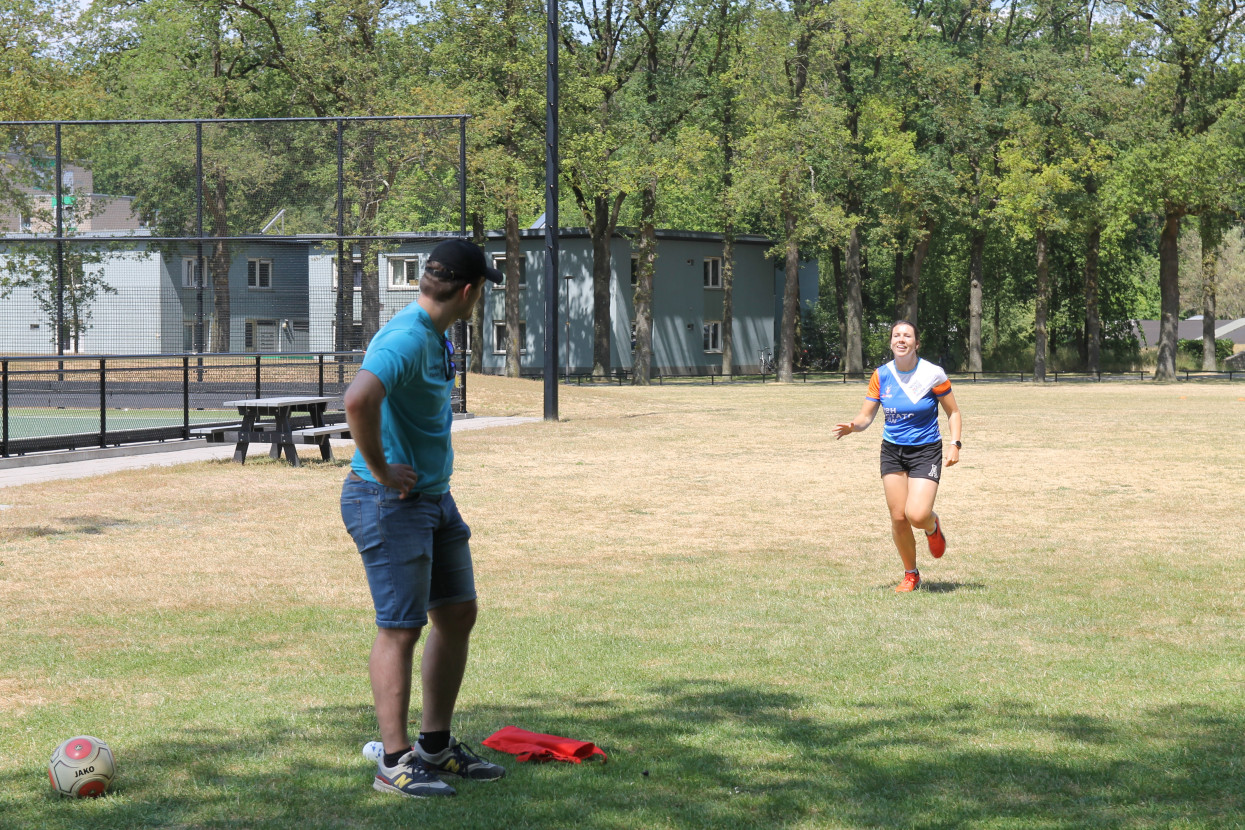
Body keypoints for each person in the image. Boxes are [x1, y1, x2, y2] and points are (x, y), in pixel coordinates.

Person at [340, 238, 506, 798]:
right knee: (401, 627)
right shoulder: (408, 338)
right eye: (481, 290)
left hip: (434, 500)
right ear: (468, 291)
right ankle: (393, 760)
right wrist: (383, 469)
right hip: (389, 503)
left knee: (457, 613)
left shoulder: (435, 336)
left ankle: (434, 746)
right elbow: (358, 398)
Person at [833, 320, 962, 592]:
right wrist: (853, 426)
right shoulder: (881, 375)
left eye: (907, 335)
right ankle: (911, 574)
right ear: (891, 342)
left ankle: (931, 525)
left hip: (926, 449)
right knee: (899, 517)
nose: (901, 339)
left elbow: (953, 412)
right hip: (892, 450)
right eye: (896, 335)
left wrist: (955, 444)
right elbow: (867, 415)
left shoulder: (932, 374)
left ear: (916, 343)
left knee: (916, 514)